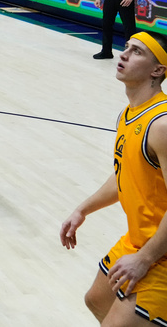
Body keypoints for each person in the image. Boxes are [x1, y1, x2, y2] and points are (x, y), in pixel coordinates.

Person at [60, 31, 167, 327]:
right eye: (126, 47)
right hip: (140, 239)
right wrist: (83, 208)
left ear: (158, 70)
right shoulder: (130, 114)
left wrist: (144, 259)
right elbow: (127, 174)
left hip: (161, 251)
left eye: (137, 52)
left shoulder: (162, 125)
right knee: (97, 299)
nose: (123, 54)